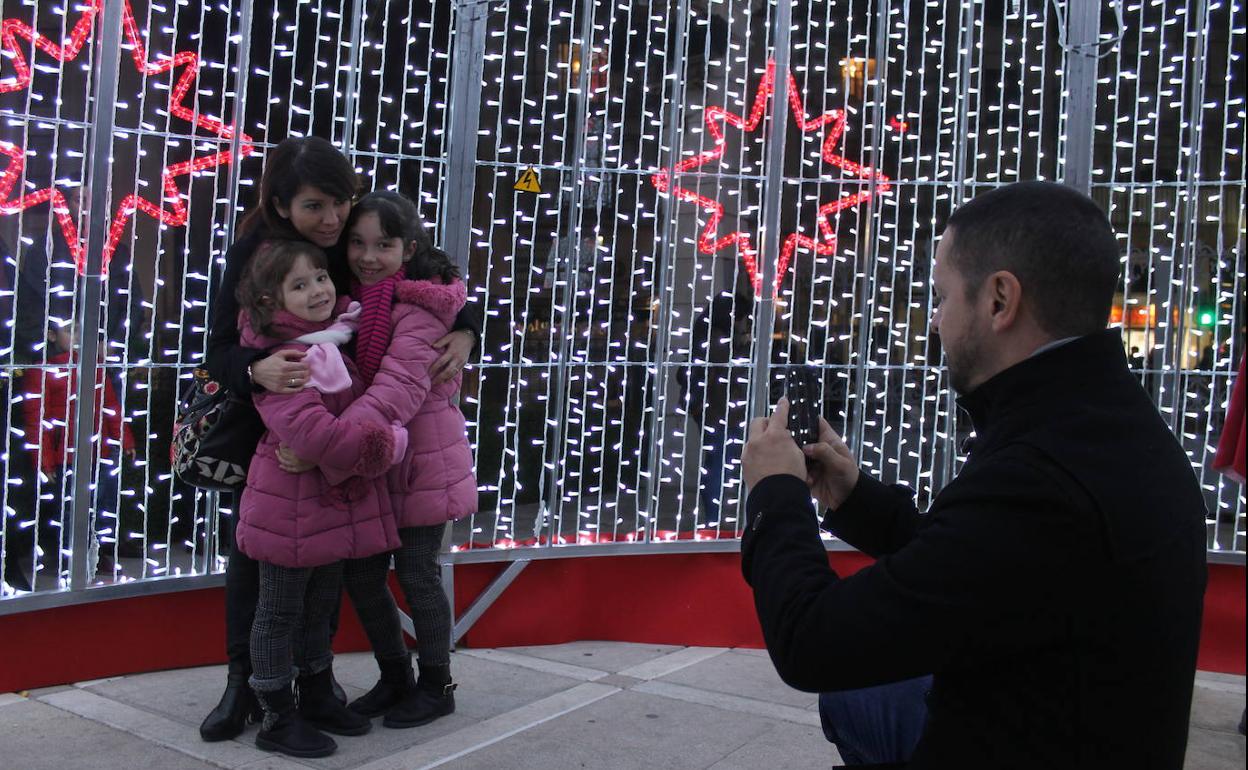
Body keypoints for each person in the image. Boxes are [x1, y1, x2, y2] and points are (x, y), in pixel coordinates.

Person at [738, 181, 1207, 769]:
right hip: (1060, 718)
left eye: (942, 297)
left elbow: (812, 642)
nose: (935, 322)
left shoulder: (1040, 476)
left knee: (853, 687)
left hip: (1017, 739)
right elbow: (977, 563)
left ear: (999, 300)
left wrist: (775, 493)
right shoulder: (1101, 420)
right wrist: (856, 499)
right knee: (862, 696)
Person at [199, 136, 480, 742]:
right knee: (262, 574)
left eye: (339, 203)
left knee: (337, 571)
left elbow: (430, 286)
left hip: (354, 446)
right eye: (314, 207)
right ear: (281, 206)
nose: (332, 220)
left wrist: (468, 328)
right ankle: (246, 686)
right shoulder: (259, 251)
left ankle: (323, 686)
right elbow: (219, 348)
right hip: (283, 440)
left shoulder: (358, 248)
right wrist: (256, 368)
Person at [277, 191, 476, 729]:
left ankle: (437, 684)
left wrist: (327, 447)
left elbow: (396, 392)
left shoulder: (421, 307)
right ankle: (395, 677)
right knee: (363, 576)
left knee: (416, 573)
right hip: (375, 460)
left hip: (422, 462)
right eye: (358, 243)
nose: (368, 256)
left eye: (383, 245)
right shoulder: (354, 302)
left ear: (408, 249)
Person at [233, 239, 406, 757]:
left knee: (319, 607)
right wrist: (388, 444)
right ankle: (275, 715)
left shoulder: (333, 341)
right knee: (278, 611)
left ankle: (316, 695)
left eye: (321, 278)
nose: (318, 291)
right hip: (287, 507)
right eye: (300, 284)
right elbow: (311, 433)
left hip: (327, 504)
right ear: (271, 300)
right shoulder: (283, 356)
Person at [678, 292, 751, 519]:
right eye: (742, 317)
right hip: (719, 411)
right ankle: (713, 516)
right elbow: (731, 371)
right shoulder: (718, 340)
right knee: (718, 463)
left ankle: (713, 514)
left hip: (714, 411)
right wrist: (744, 348)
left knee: (716, 462)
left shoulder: (707, 334)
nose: (743, 322)